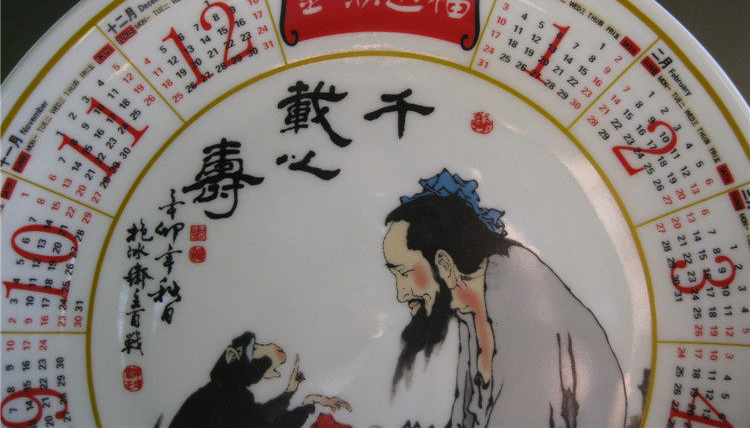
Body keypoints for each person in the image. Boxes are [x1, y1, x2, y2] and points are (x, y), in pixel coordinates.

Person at [383, 169, 627, 427]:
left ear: (444, 264)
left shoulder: (521, 297)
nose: (401, 293)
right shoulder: (472, 305)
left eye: (404, 272)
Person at [170, 331, 350, 427]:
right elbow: (265, 423)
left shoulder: (224, 393)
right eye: (255, 349)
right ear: (232, 356)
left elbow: (260, 418)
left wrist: (292, 393)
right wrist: (306, 406)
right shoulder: (219, 397)